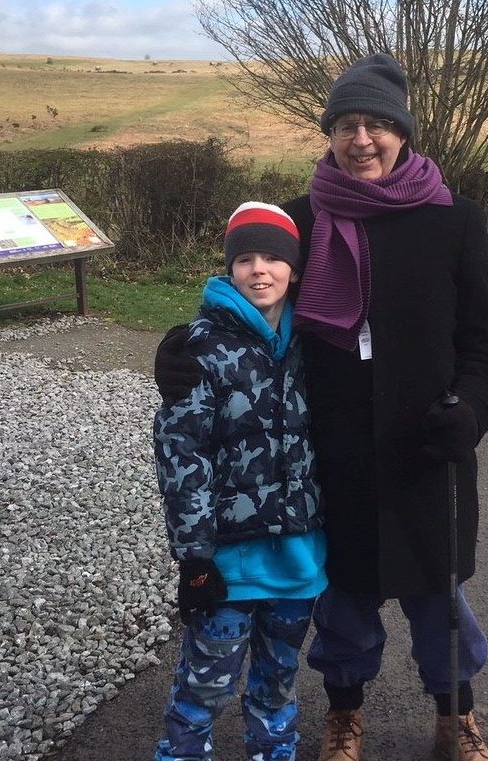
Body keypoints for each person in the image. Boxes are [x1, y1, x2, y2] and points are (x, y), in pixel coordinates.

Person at [157, 54, 488, 761]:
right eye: (347, 124)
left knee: (439, 602)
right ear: (330, 133)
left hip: (428, 452)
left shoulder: (454, 220)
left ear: (403, 132)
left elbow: (484, 346)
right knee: (345, 604)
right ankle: (345, 716)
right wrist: (179, 351)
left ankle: (455, 716)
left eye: (378, 123)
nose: (362, 139)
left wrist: (471, 410)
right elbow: (250, 304)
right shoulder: (302, 220)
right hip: (331, 455)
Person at [152, 202, 328, 761]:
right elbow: (182, 456)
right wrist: (194, 556)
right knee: (204, 688)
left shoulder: (315, 346)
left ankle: (274, 753)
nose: (259, 270)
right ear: (229, 268)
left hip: (298, 561)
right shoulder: (200, 350)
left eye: (274, 258)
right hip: (227, 564)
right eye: (245, 258)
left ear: (294, 269)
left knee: (277, 687)